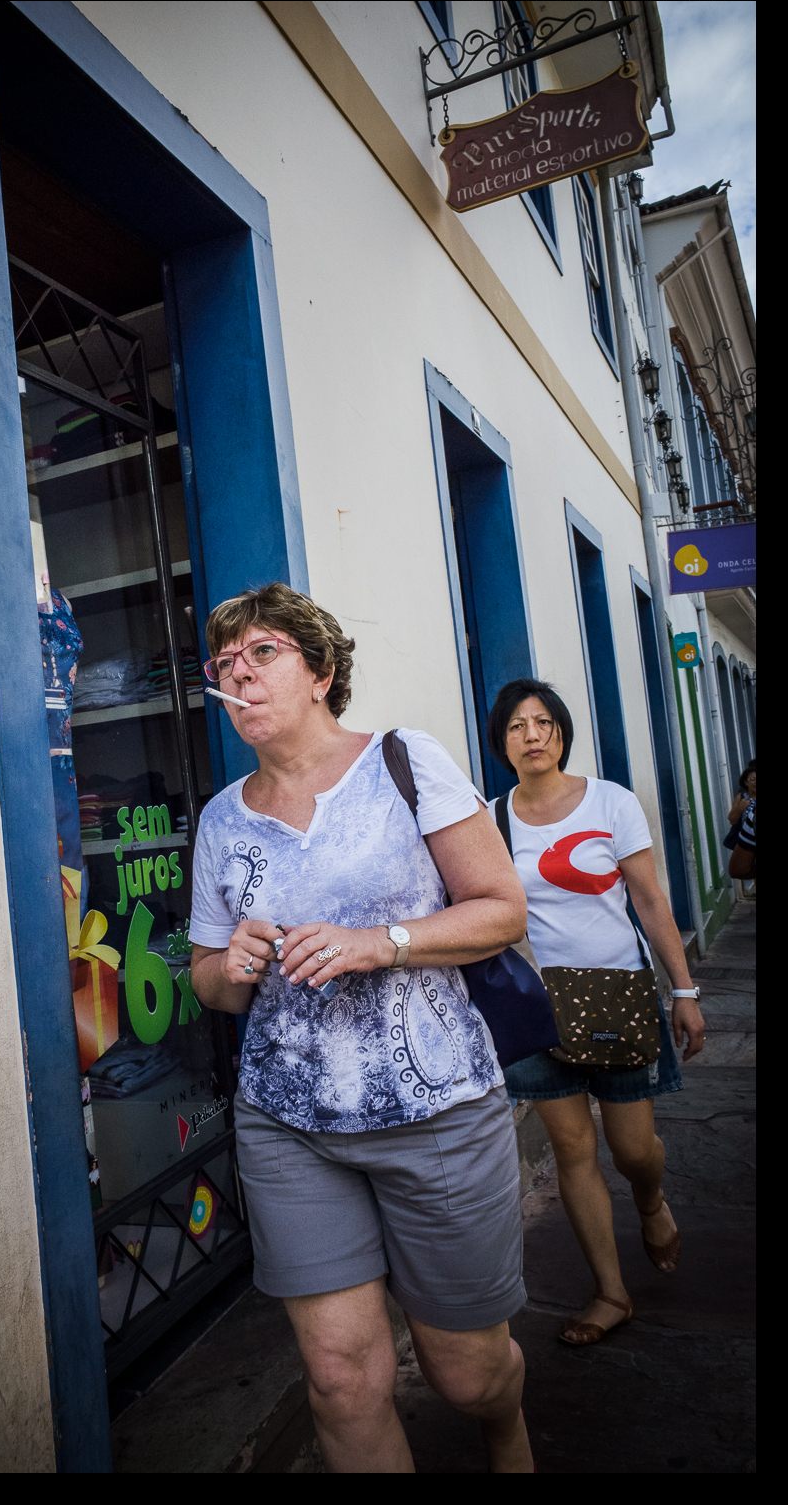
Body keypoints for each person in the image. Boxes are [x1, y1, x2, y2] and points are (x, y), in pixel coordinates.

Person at [190, 584, 533, 1474]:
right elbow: (210, 984)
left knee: (468, 1376)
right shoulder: (222, 820)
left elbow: (501, 913)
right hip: (290, 1125)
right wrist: (228, 969)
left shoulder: (400, 762)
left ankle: (505, 1427)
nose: (238, 676)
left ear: (321, 672)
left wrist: (380, 942)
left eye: (260, 654)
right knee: (340, 1381)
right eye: (222, 665)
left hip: (439, 1114)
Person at [485, 678, 706, 1347]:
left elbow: (649, 902)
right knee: (572, 1149)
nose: (532, 735)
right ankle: (610, 1292)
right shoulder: (492, 820)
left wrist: (684, 990)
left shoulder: (609, 802)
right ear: (501, 739)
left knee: (633, 1149)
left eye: (544, 722)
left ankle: (650, 1200)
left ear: (562, 732)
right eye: (518, 725)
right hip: (540, 1010)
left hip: (619, 998)